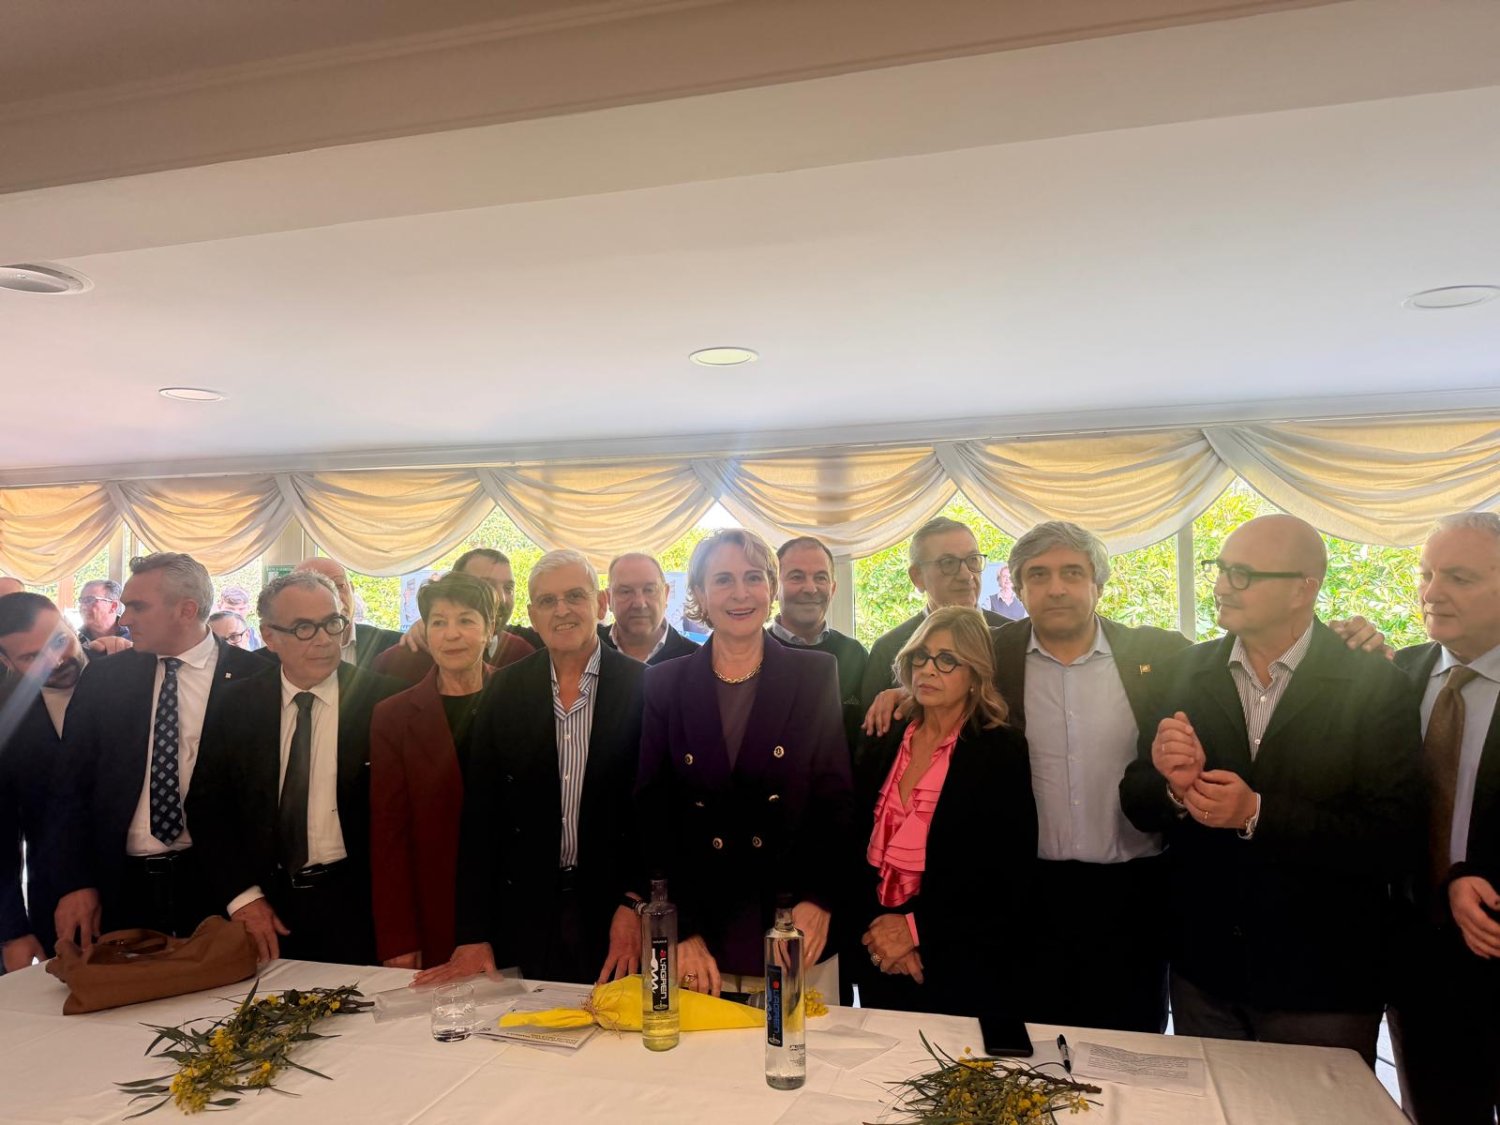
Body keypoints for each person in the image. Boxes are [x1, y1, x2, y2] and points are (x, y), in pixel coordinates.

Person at [1119, 514, 1424, 1066]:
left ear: (1303, 589)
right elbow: (1137, 798)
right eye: (1219, 568)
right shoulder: (1182, 672)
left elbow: (1393, 836)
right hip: (1205, 970)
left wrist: (1257, 813)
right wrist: (1173, 790)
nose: (1221, 585)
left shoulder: (1376, 685)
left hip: (1321, 976)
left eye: (1243, 574)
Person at [635, 529, 852, 998]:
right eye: (723, 580)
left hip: (791, 924)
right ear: (699, 594)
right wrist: (681, 929)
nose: (740, 593)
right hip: (700, 934)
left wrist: (820, 900)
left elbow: (835, 801)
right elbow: (654, 813)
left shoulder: (816, 674)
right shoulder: (663, 683)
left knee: (800, 1047)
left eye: (754, 578)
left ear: (771, 589)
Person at [415, 550, 646, 986]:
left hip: (617, 912)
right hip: (523, 911)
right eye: (547, 601)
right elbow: (481, 816)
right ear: (532, 615)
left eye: (574, 596)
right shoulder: (503, 689)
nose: (562, 610)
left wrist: (636, 902)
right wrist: (473, 933)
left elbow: (658, 813)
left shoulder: (645, 685)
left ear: (600, 604)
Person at [188, 571, 403, 965]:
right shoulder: (236, 705)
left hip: (360, 909)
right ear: (269, 636)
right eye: (304, 628)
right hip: (265, 911)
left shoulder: (384, 702)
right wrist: (243, 898)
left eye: (332, 623)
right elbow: (208, 809)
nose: (324, 639)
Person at [51, 553, 265, 948]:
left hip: (218, 886)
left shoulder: (257, 678)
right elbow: (69, 787)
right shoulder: (105, 679)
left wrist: (250, 893)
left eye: (138, 607)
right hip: (120, 887)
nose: (125, 618)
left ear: (186, 610)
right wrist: (76, 881)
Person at [852, 606, 1034, 1016]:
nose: (928, 669)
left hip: (957, 962)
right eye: (921, 656)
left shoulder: (1000, 750)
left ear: (976, 675)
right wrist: (881, 937)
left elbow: (1006, 874)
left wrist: (915, 932)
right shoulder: (886, 734)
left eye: (947, 659)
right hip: (877, 952)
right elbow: (853, 844)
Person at [1387, 512, 1500, 1123]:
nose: (1431, 592)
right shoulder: (1393, 677)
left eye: (1459, 577)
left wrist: (1473, 874)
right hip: (1415, 961)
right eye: (1426, 574)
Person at [369, 572, 497, 970]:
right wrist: (398, 938)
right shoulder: (393, 715)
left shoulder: (523, 699)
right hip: (435, 910)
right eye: (439, 622)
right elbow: (388, 834)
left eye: (466, 620)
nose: (451, 634)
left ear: (489, 628)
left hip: (515, 908)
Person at [0, 594, 88, 969]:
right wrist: (12, 931)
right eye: (30, 657)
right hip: (57, 907)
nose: (54, 659)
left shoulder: (133, 678)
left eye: (59, 640)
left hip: (149, 893)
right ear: (7, 662)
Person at [858, 517, 1011, 710]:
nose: (967, 575)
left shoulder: (1011, 636)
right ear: (917, 577)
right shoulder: (889, 650)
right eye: (948, 563)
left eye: (973, 560)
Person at [374, 548, 536, 682]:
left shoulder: (523, 654)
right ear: (456, 587)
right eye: (487, 586)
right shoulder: (402, 661)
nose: (502, 598)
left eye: (508, 588)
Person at [769, 536, 868, 743]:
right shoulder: (755, 652)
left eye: (821, 578)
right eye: (797, 577)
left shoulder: (855, 655)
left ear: (833, 589)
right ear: (774, 588)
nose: (810, 588)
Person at [294, 557, 403, 669]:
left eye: (340, 586)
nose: (335, 598)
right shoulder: (284, 652)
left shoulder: (395, 646)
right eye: (318, 590)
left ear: (352, 590)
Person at [598, 552, 699, 665]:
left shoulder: (697, 661)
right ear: (609, 598)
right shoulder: (589, 649)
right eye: (626, 591)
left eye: (649, 590)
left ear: (666, 594)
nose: (639, 603)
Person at [77, 579, 130, 646]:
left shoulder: (135, 638)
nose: (83, 607)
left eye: (90, 600)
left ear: (113, 606)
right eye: (81, 601)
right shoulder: (75, 641)